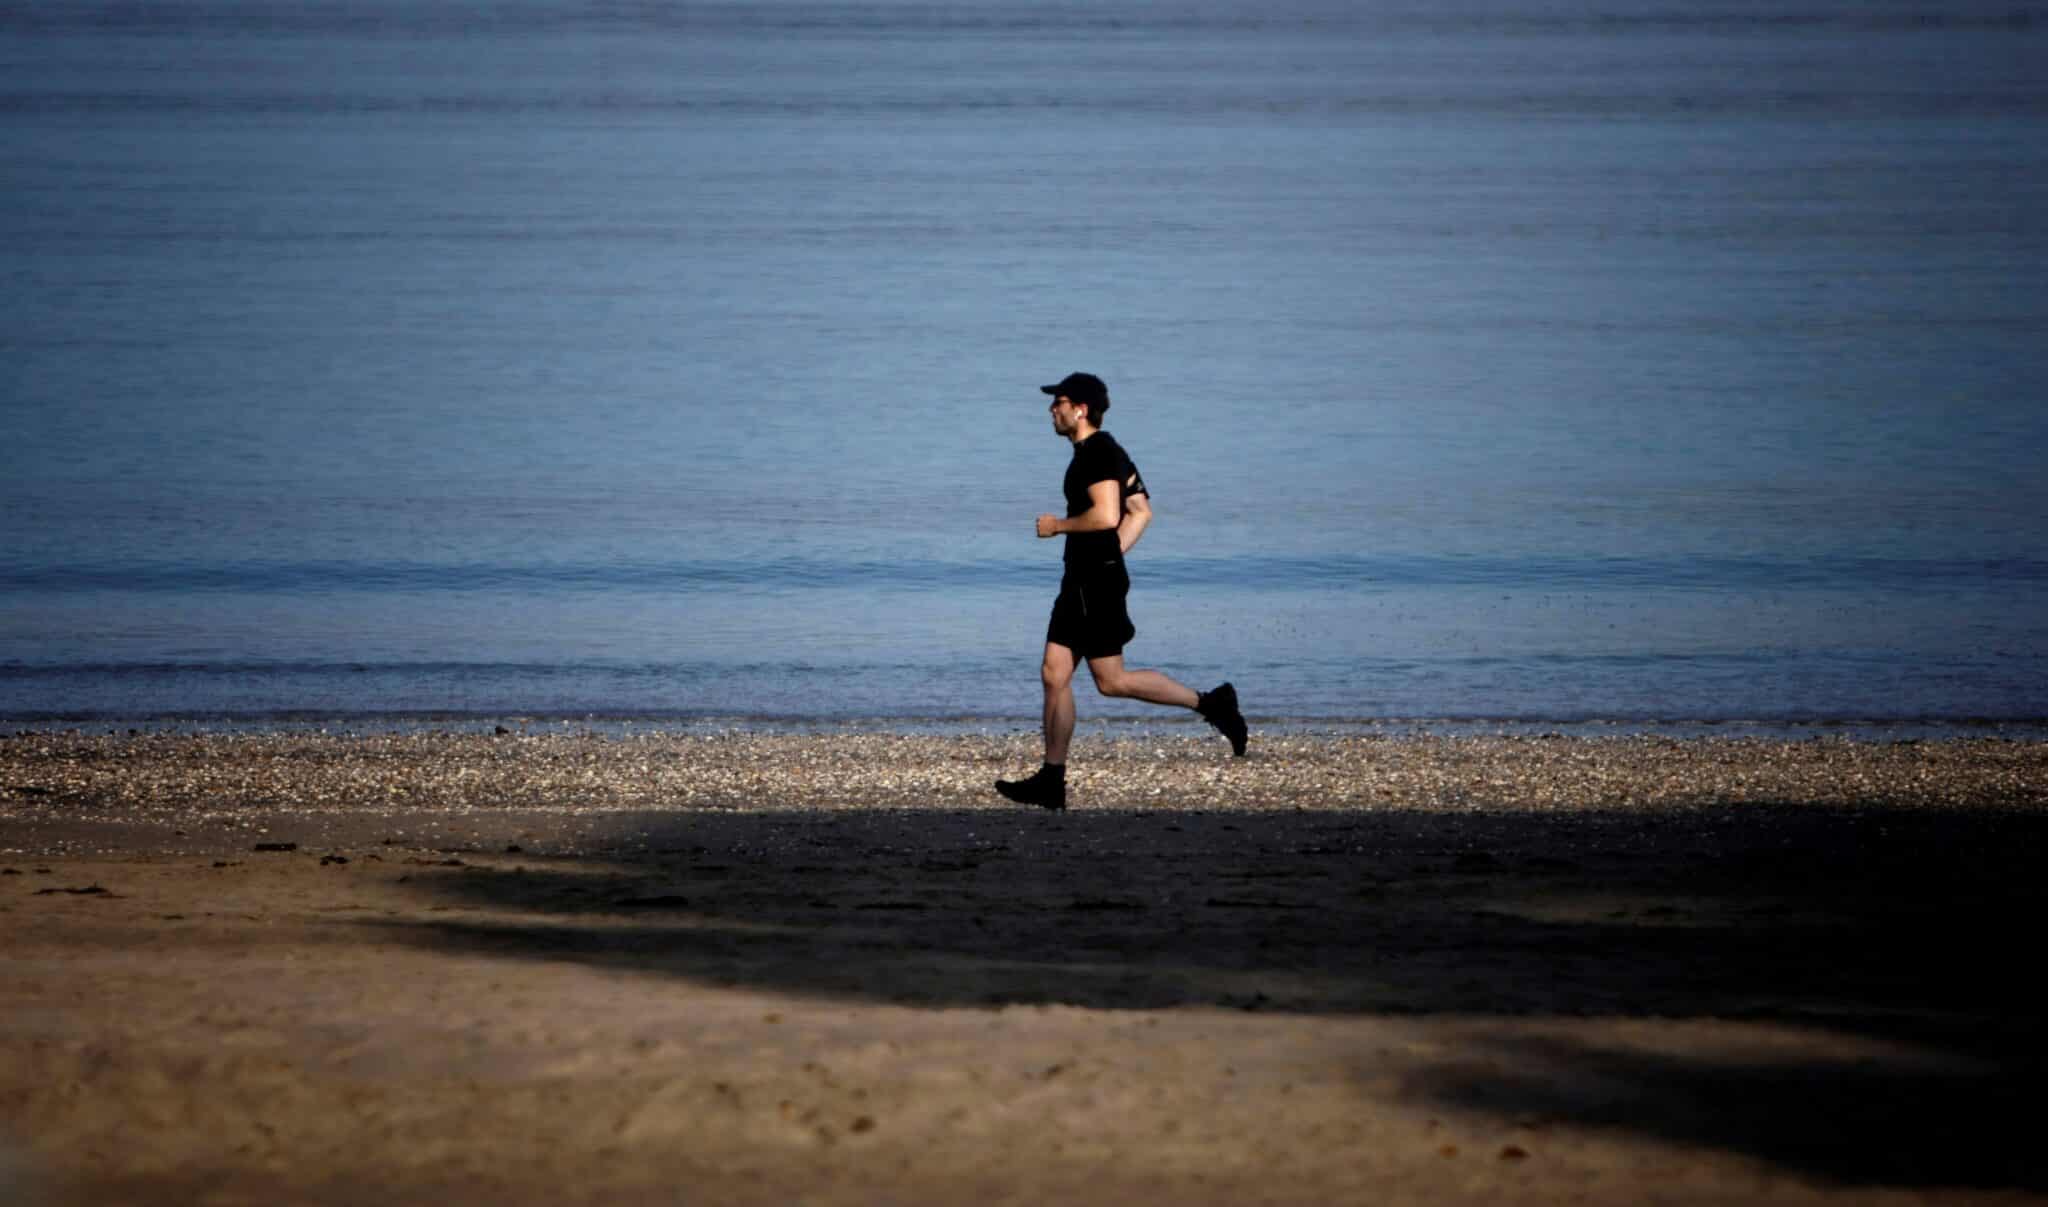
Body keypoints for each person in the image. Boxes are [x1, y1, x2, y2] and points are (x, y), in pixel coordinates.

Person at [996, 372, 1248, 811]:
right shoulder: (1105, 451)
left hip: (1093, 582)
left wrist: (1058, 527)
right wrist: (1111, 557)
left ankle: (1212, 704)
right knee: (1054, 673)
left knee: (1110, 681)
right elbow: (1141, 511)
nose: (1051, 410)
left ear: (1081, 409)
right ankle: (1051, 779)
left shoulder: (1096, 453)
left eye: (1059, 402)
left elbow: (1107, 514)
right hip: (1087, 578)